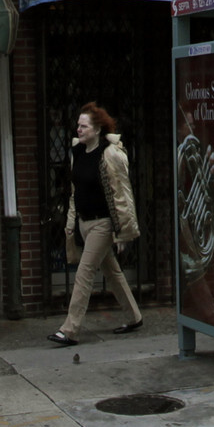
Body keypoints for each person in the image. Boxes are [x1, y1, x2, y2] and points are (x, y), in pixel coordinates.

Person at [48, 102, 142, 345]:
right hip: (83, 222)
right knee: (112, 272)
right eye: (78, 125)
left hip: (102, 224)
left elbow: (122, 193)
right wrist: (71, 223)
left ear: (98, 129)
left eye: (84, 126)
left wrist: (122, 231)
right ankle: (134, 317)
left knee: (84, 272)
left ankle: (69, 330)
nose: (79, 130)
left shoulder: (110, 154)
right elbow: (73, 191)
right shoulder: (77, 152)